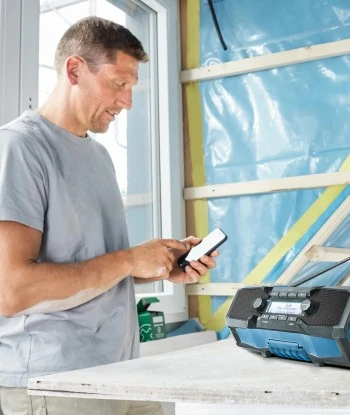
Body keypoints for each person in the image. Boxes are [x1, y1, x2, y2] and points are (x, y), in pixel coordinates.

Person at [0, 16, 218, 415]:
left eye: (131, 87)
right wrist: (131, 259)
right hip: (56, 383)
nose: (128, 102)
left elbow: (90, 265)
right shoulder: (18, 149)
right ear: (74, 70)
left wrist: (155, 265)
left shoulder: (100, 157)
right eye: (119, 84)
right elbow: (11, 290)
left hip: (124, 370)